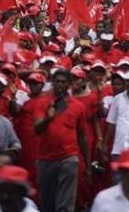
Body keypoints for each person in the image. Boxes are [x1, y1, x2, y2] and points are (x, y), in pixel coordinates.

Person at [33, 68, 92, 212]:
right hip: (45, 159)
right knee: (47, 204)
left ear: (69, 84)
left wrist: (88, 165)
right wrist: (48, 118)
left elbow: (82, 136)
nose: (60, 85)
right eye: (57, 82)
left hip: (68, 158)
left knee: (65, 205)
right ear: (52, 83)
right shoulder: (41, 102)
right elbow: (37, 129)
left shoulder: (78, 106)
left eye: (63, 82)